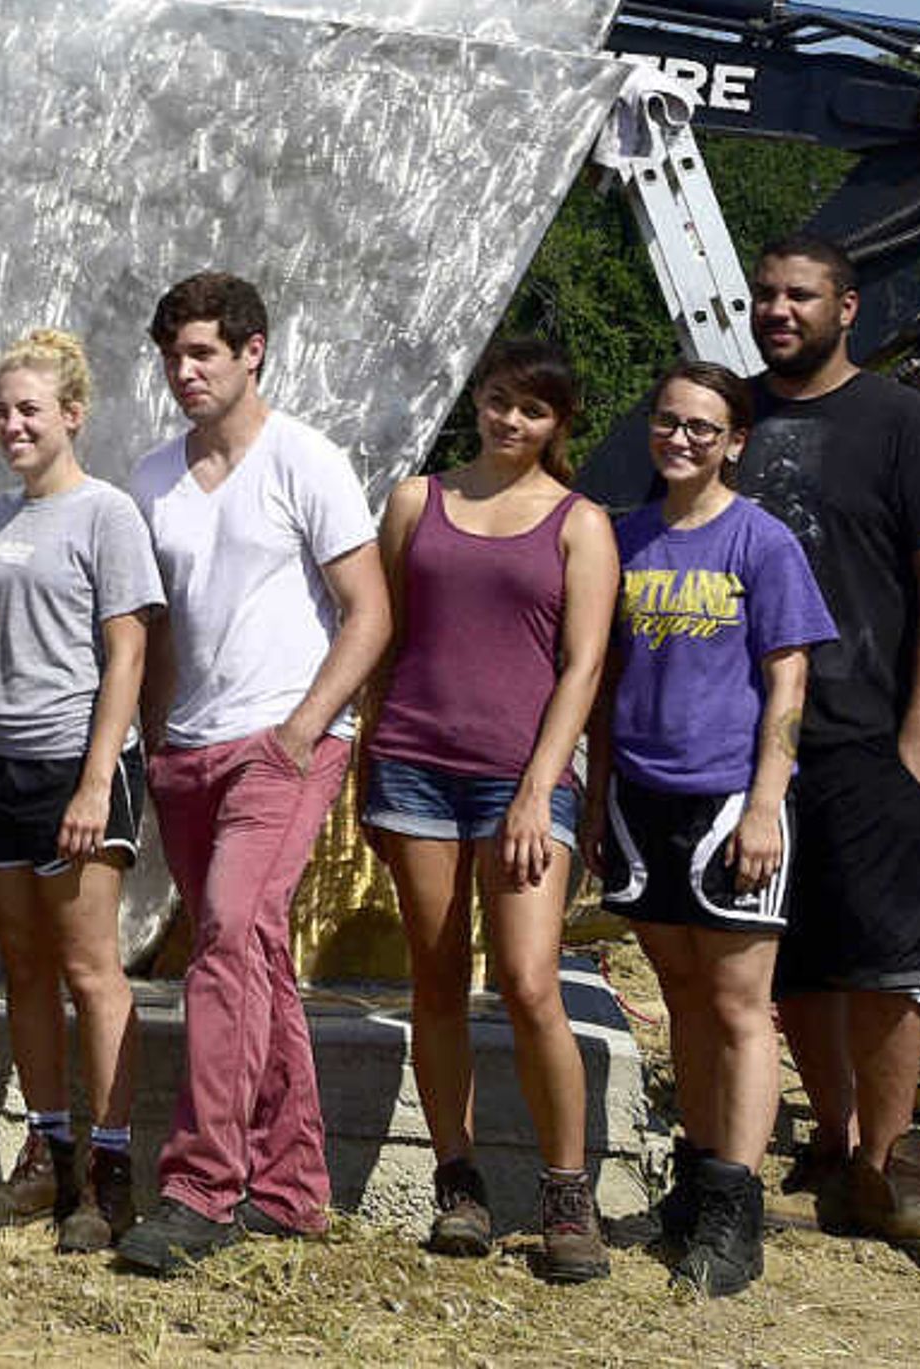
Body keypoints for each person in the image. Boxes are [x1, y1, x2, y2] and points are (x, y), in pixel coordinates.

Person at [113, 271, 391, 1278]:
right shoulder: (151, 477)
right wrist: (147, 746)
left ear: (252, 351)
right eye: (171, 357)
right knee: (253, 954)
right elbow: (148, 631)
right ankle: (291, 1186)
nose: (183, 373)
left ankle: (200, 1187)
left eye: (202, 354)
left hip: (286, 740)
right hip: (186, 747)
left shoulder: (305, 459)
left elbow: (369, 608)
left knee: (226, 934)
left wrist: (305, 725)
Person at [736, 233, 920, 1269]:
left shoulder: (904, 424)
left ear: (848, 307)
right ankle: (833, 1149)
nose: (778, 309)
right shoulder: (729, 417)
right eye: (764, 293)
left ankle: (895, 1165)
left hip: (868, 735)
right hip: (745, 745)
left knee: (885, 963)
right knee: (788, 959)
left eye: (801, 294)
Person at [363, 337, 620, 1283]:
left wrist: (536, 788)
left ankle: (566, 1191)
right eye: (500, 400)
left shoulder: (580, 522)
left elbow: (584, 666)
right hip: (416, 768)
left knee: (526, 979)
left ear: (560, 424)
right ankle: (457, 1181)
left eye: (534, 409)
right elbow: (383, 636)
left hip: (526, 778)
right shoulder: (415, 502)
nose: (510, 421)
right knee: (434, 978)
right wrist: (367, 761)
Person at [595, 360, 831, 1297]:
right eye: (667, 421)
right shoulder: (624, 538)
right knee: (684, 1000)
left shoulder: (762, 542)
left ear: (735, 440)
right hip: (640, 797)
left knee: (740, 1008)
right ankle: (695, 1181)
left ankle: (739, 1206)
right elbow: (601, 680)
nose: (681, 438)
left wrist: (766, 802)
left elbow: (789, 680)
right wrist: (600, 796)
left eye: (702, 426)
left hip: (731, 799)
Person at [0, 328, 161, 1255]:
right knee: (23, 970)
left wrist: (94, 778)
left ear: (73, 414)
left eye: (29, 409)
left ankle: (112, 1166)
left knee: (90, 970)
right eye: (0, 410)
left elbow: (128, 652)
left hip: (76, 767)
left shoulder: (108, 514)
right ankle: (49, 1148)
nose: (12, 425)